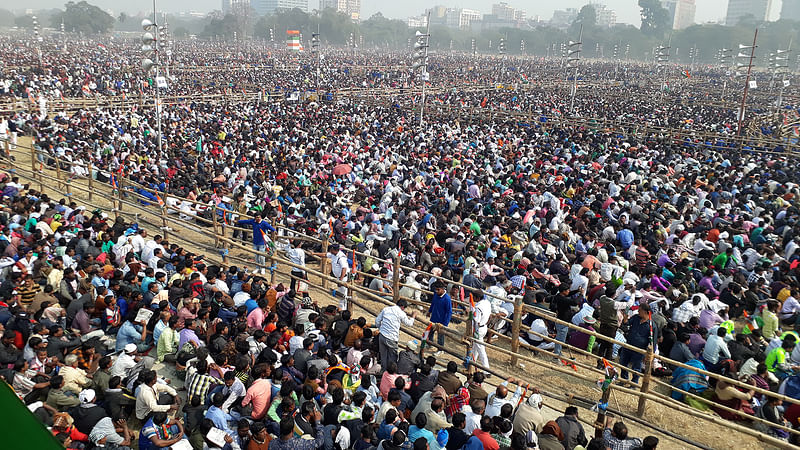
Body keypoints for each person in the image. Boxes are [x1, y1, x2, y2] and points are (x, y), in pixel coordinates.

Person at [375, 299, 417, 369]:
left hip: (382, 335)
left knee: (383, 355)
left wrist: (381, 329)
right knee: (393, 357)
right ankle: (391, 373)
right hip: (392, 338)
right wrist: (413, 316)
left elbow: (377, 321)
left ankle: (383, 371)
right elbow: (409, 323)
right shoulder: (401, 313)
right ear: (403, 307)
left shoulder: (386, 309)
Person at [428, 282, 452, 348]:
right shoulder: (436, 295)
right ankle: (430, 344)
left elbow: (449, 312)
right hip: (434, 317)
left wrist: (445, 323)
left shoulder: (447, 299)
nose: (436, 291)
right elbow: (433, 303)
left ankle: (440, 349)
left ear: (442, 289)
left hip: (441, 321)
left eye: (438, 290)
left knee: (440, 335)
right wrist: (429, 311)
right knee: (430, 332)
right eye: (436, 290)